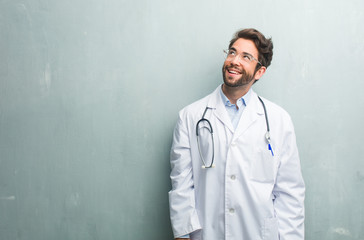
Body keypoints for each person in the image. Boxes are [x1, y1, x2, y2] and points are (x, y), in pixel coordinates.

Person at [168, 28, 305, 240]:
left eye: (246, 57)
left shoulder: (278, 120)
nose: (234, 60)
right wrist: (183, 236)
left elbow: (290, 193)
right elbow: (182, 186)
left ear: (259, 72)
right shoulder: (190, 117)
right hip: (208, 233)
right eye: (232, 52)